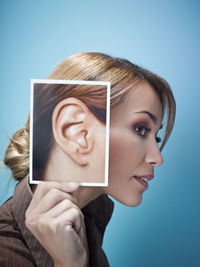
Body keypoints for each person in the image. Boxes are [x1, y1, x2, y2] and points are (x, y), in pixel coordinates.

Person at [0, 52, 176, 267]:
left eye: (156, 136)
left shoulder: (89, 219)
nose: (158, 158)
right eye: (140, 129)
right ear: (75, 130)